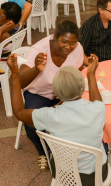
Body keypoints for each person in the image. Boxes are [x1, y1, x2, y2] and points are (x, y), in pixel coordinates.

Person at [10, 21, 101, 175]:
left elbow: (78, 66)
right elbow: (21, 82)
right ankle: (43, 152)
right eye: (64, 42)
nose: (68, 47)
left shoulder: (77, 48)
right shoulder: (38, 51)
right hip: (39, 93)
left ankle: (66, 149)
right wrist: (36, 70)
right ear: (55, 37)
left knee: (80, 116)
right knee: (31, 124)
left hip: (65, 92)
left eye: (72, 43)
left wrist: (68, 96)